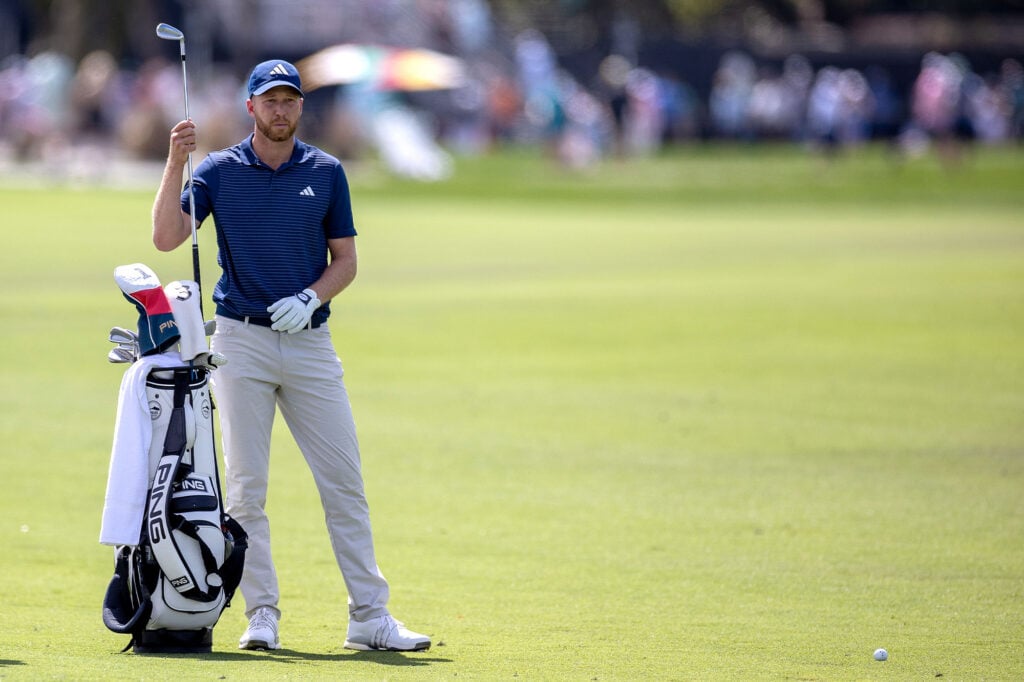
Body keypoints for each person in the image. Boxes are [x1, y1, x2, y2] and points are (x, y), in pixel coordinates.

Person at [151, 59, 430, 652]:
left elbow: (345, 261)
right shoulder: (219, 171)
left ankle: (369, 617)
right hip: (240, 342)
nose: (280, 110)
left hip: (310, 342)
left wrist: (311, 296)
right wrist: (177, 160)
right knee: (247, 489)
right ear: (250, 107)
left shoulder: (326, 172)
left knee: (343, 485)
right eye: (269, 101)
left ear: (300, 107)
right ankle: (262, 615)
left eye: (290, 100)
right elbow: (167, 237)